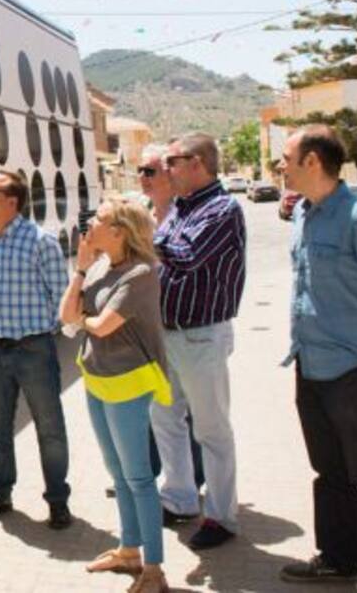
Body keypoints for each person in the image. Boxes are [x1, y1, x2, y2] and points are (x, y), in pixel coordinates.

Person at [277, 126, 357, 593]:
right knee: (329, 472)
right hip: (310, 364)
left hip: (354, 371)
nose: (280, 166)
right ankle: (338, 559)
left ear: (312, 161)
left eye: (286, 157)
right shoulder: (303, 216)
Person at [60, 197, 171, 593]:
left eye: (100, 219)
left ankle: (154, 569)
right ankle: (128, 551)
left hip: (127, 382)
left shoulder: (141, 273)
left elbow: (102, 326)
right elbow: (64, 316)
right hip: (98, 379)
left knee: (139, 477)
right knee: (118, 473)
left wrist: (82, 320)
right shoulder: (103, 268)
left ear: (120, 230)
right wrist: (81, 268)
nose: (90, 224)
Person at [151, 132, 245, 550]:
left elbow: (185, 254)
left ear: (198, 162)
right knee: (166, 421)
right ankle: (180, 498)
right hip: (167, 334)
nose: (165, 170)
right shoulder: (179, 209)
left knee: (211, 430)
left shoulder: (222, 209)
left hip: (201, 335)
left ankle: (221, 516)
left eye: (171, 161)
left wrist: (142, 235)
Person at [0, 169, 73, 529]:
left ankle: (58, 501)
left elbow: (61, 298)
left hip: (34, 350)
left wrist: (40, 335)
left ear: (12, 202)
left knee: (50, 429)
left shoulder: (41, 241)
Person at [136, 145, 205, 502]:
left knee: (188, 408)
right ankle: (147, 475)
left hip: (184, 327)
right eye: (140, 171)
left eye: (149, 171)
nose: (142, 178)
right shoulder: (141, 215)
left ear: (169, 173)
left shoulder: (186, 217)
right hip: (148, 325)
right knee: (153, 404)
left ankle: (192, 479)